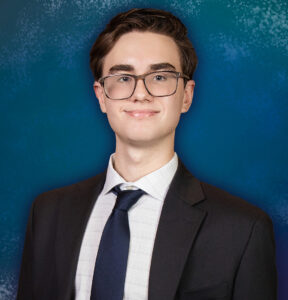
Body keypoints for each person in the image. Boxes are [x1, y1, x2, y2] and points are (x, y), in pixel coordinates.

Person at [17, 8, 277, 300]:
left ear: (187, 95)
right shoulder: (48, 213)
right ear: (101, 96)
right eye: (124, 78)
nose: (141, 93)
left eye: (160, 77)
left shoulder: (243, 229)